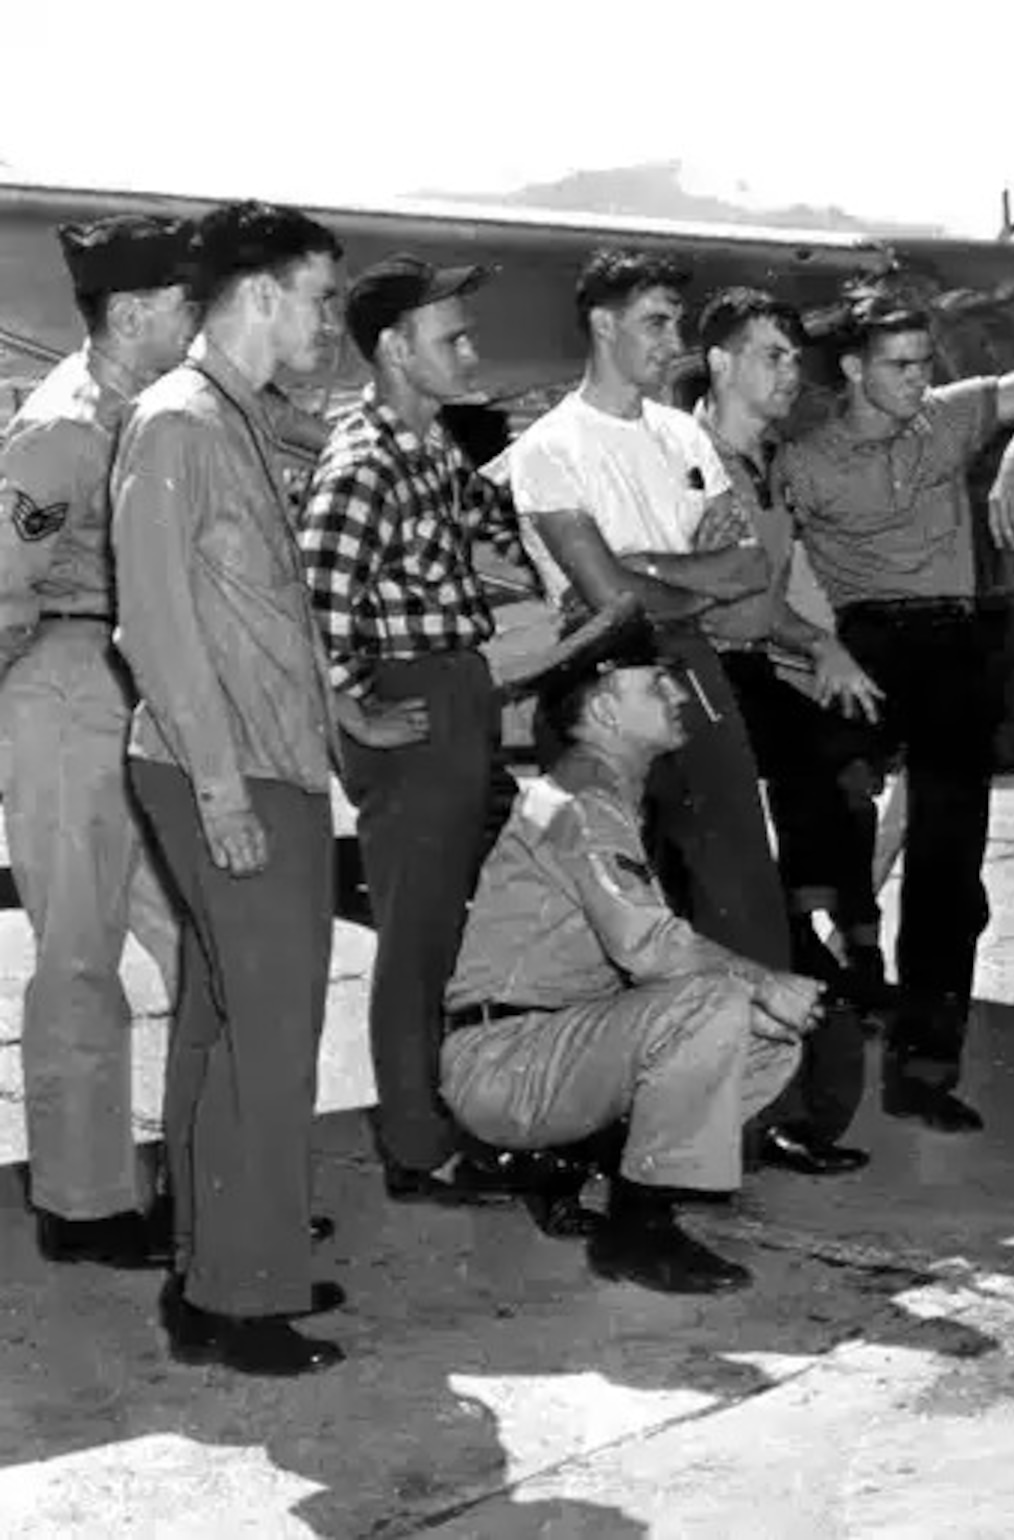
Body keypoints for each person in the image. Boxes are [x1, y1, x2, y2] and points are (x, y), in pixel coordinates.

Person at [113, 199, 391, 1377]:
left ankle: (216, 1254)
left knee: (228, 1021)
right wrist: (224, 788)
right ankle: (242, 1290)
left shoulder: (229, 417)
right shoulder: (180, 421)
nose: (332, 322)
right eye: (323, 297)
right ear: (263, 295)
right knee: (272, 1032)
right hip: (220, 763)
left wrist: (333, 717)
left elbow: (258, 611)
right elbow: (158, 625)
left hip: (255, 755)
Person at [775, 287, 1014, 1133]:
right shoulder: (803, 461)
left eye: (924, 362)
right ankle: (841, 946)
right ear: (852, 368)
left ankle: (924, 1068)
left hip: (956, 648)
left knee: (952, 872)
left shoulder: (946, 419)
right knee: (817, 795)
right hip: (863, 646)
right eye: (900, 366)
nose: (920, 379)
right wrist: (818, 646)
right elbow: (766, 567)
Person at [442, 598, 817, 1294]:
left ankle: (566, 1161)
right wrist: (762, 981)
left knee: (767, 1040)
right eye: (658, 683)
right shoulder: (583, 804)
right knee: (715, 1006)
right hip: (508, 1058)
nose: (678, 693)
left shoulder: (596, 791)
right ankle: (638, 1233)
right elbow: (648, 946)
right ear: (608, 709)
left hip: (543, 1043)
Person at [298, 253, 533, 1206]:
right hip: (415, 700)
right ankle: (413, 1144)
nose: (473, 351)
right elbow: (315, 597)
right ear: (395, 349)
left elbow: (484, 513)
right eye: (454, 338)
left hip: (455, 691)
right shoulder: (364, 463)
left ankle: (441, 1119)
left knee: (452, 931)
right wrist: (353, 707)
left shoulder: (429, 448)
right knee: (419, 938)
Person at [500, 249, 791, 988]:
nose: (673, 342)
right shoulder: (547, 448)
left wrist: (645, 567)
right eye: (655, 323)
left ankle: (756, 1076)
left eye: (678, 324)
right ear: (603, 324)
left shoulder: (685, 436)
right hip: (595, 677)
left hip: (691, 668)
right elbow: (611, 600)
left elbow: (747, 566)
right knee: (616, 895)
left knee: (739, 878)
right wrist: (681, 578)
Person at [0, 215, 194, 1268]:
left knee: (199, 940)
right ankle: (85, 1204)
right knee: (79, 951)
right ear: (130, 313)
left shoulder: (163, 414)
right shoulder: (65, 427)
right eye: (183, 302)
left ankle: (208, 1182)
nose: (198, 320)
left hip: (148, 685)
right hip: (71, 686)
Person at [691, 286, 882, 1175]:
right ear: (721, 363)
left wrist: (823, 645)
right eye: (771, 355)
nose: (789, 375)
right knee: (719, 901)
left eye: (793, 359)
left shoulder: (760, 461)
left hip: (747, 666)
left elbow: (760, 603)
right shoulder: (681, 458)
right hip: (690, 678)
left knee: (847, 756)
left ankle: (821, 921)